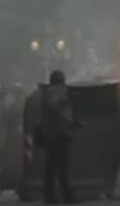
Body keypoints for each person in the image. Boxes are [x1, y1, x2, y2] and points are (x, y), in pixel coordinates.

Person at [39, 70, 79, 204]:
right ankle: (63, 195)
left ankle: (51, 194)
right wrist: (68, 98)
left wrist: (73, 123)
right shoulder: (53, 93)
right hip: (57, 135)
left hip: (55, 134)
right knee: (61, 166)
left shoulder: (51, 92)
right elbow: (55, 107)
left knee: (52, 166)